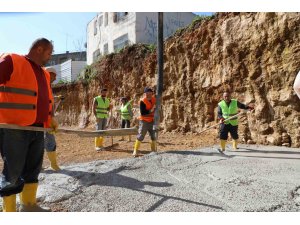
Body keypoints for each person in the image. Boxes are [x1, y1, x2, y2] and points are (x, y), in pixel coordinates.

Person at [0, 38, 57, 212]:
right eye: (49, 53)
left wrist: (51, 117)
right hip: (13, 128)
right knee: (14, 171)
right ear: (39, 49)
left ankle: (29, 205)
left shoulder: (44, 73)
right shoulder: (12, 60)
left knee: (33, 169)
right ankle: (9, 211)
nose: (49, 57)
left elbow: (47, 100)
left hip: (38, 128)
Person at [44, 67, 63, 171]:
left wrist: (57, 98)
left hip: (47, 119)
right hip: (42, 120)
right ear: (48, 74)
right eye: (54, 75)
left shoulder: (47, 86)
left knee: (47, 141)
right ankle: (51, 165)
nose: (55, 78)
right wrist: (51, 117)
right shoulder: (42, 85)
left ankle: (52, 164)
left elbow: (49, 101)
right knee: (43, 142)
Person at [133, 87, 157, 157]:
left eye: (150, 92)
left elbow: (157, 106)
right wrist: (151, 110)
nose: (149, 94)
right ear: (145, 93)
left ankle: (153, 150)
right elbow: (143, 113)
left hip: (152, 120)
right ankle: (135, 150)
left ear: (152, 93)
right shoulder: (142, 101)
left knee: (153, 136)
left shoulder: (153, 99)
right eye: (147, 93)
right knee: (141, 136)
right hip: (144, 121)